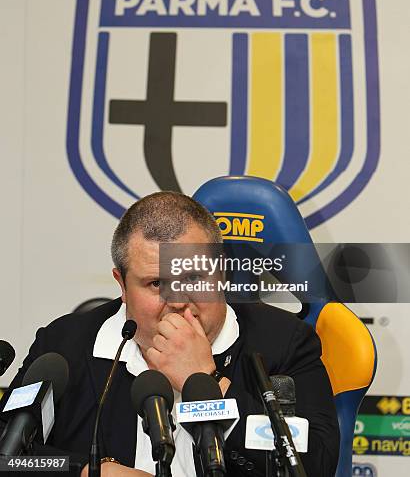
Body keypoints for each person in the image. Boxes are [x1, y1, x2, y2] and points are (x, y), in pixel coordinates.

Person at [1, 192, 339, 476]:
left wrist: (206, 380)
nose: (177, 302)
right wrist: (89, 470)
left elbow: (316, 464)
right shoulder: (64, 345)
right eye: (156, 284)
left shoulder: (283, 342)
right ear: (122, 285)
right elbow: (7, 453)